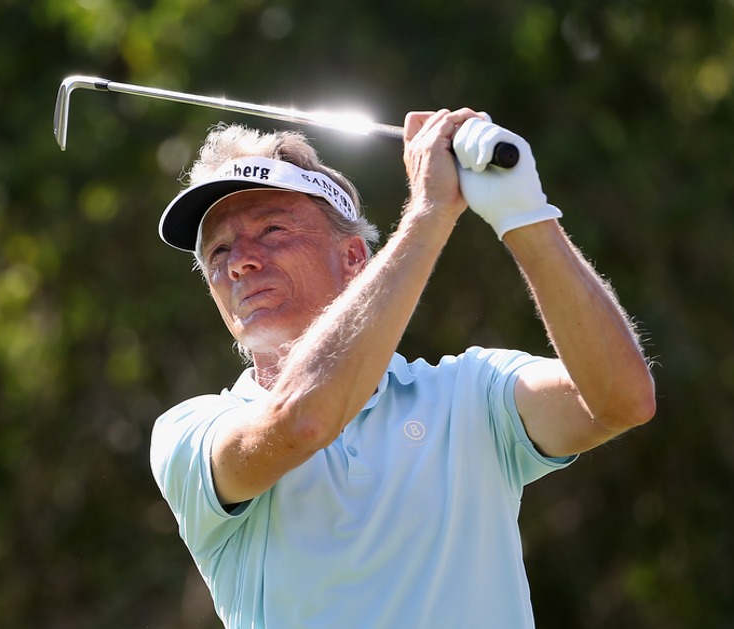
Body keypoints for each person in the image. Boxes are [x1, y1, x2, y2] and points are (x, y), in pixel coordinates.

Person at [149, 109, 655, 628]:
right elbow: (303, 419)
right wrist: (428, 216)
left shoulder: (470, 394)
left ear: (352, 259)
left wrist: (525, 215)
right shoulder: (189, 432)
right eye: (219, 250)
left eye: (272, 230)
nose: (239, 262)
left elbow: (621, 399)